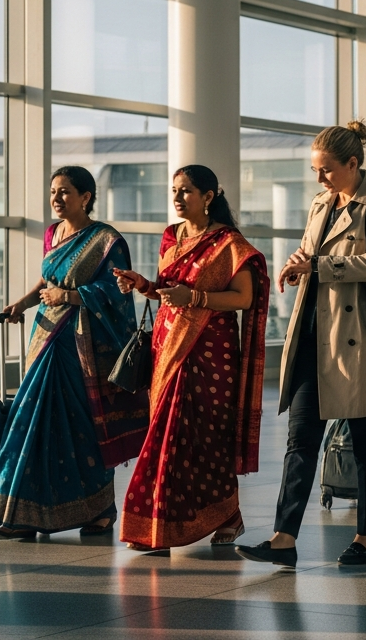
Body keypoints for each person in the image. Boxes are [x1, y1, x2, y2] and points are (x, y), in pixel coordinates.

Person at [237, 121, 366, 568]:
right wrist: (297, 264)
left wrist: (320, 266)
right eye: (314, 170)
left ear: (352, 163)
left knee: (365, 441)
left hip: (358, 339)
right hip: (312, 333)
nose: (319, 178)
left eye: (325, 170)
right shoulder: (321, 203)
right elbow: (311, 255)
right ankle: (283, 538)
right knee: (300, 439)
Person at [113, 165, 269, 552]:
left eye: (186, 191)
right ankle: (160, 524)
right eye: (174, 191)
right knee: (166, 435)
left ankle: (226, 514)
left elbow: (244, 298)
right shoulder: (172, 236)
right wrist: (145, 286)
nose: (178, 198)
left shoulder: (228, 242)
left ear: (209, 196)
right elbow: (169, 290)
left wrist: (195, 299)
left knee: (203, 439)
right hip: (167, 348)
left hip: (210, 351)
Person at [0, 167, 147, 539]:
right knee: (32, 421)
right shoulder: (53, 233)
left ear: (86, 197)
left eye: (64, 192)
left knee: (81, 424)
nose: (57, 199)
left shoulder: (107, 241)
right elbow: (47, 280)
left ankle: (99, 510)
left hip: (83, 345)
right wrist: (23, 304)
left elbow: (118, 291)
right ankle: (27, 514)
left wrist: (72, 296)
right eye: (53, 192)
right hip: (44, 336)